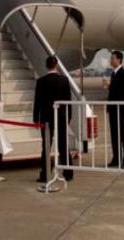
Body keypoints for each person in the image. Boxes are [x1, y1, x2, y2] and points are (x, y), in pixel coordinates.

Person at [33, 55, 73, 183]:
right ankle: (68, 173)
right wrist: (69, 116)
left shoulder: (41, 81)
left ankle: (45, 174)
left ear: (47, 66)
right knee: (63, 144)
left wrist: (36, 118)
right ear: (56, 65)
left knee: (46, 146)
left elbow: (37, 102)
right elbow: (68, 101)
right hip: (61, 116)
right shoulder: (64, 80)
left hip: (46, 118)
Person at [106, 50, 124, 168]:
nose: (111, 60)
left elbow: (121, 91)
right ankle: (116, 158)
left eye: (113, 58)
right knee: (114, 135)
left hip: (120, 109)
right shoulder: (113, 73)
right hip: (112, 109)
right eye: (111, 58)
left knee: (123, 134)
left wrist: (109, 86)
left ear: (119, 59)